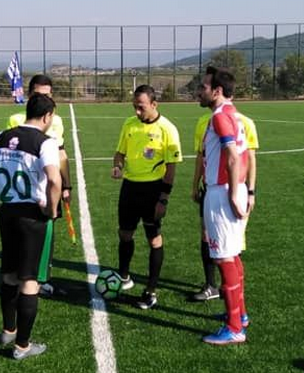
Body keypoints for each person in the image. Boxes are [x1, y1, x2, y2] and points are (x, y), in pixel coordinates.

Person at [0, 92, 62, 360]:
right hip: (31, 216)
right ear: (47, 116)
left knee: (9, 275)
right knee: (29, 280)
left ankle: (8, 330)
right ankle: (22, 346)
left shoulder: (0, 137)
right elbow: (54, 180)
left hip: (8, 213)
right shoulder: (45, 143)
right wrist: (52, 209)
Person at [110, 85, 183, 310]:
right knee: (124, 234)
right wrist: (117, 166)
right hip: (129, 188)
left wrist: (163, 198)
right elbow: (119, 153)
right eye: (135, 107)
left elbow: (171, 168)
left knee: (154, 239)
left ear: (154, 104)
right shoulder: (129, 124)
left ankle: (151, 291)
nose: (137, 112)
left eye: (141, 107)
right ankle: (124, 277)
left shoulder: (167, 129)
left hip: (153, 190)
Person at [197, 66, 254, 345]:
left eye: (204, 87)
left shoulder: (220, 116)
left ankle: (234, 328)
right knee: (232, 255)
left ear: (217, 91)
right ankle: (239, 315)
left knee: (223, 258)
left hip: (222, 192)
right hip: (231, 188)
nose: (200, 91)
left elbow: (232, 156)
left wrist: (231, 194)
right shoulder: (233, 114)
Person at [7, 74, 71, 296]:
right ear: (29, 94)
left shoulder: (56, 121)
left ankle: (41, 279)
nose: (43, 98)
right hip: (25, 189)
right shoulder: (16, 120)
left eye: (47, 95)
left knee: (47, 233)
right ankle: (21, 278)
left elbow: (61, 155)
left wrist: (67, 186)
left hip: (49, 187)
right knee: (21, 235)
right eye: (38, 94)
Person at [190, 104, 259, 302]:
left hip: (231, 189)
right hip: (210, 188)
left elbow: (250, 159)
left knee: (233, 244)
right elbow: (201, 155)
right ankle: (211, 285)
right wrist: (195, 184)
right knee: (206, 236)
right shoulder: (203, 122)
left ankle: (231, 289)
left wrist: (251, 191)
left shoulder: (244, 122)